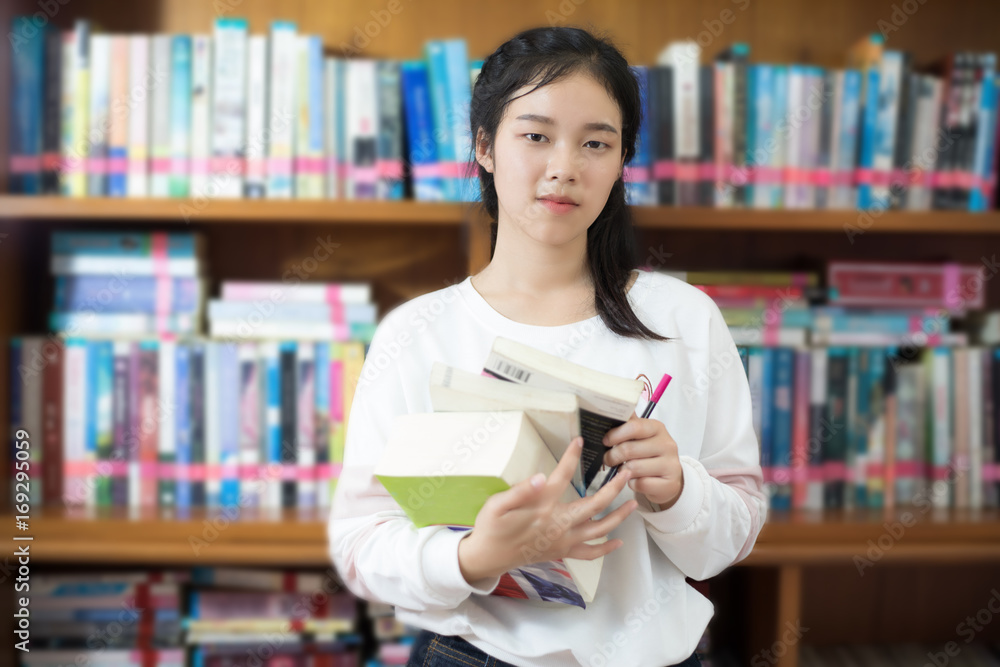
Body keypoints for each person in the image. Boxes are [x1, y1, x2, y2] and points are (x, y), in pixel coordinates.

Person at [329, 25, 766, 667]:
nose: (564, 167)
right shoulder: (416, 334)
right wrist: (477, 555)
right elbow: (361, 544)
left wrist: (678, 490)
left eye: (597, 143)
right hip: (474, 654)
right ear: (485, 146)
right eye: (535, 136)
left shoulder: (684, 320)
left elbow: (732, 537)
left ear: (623, 161)